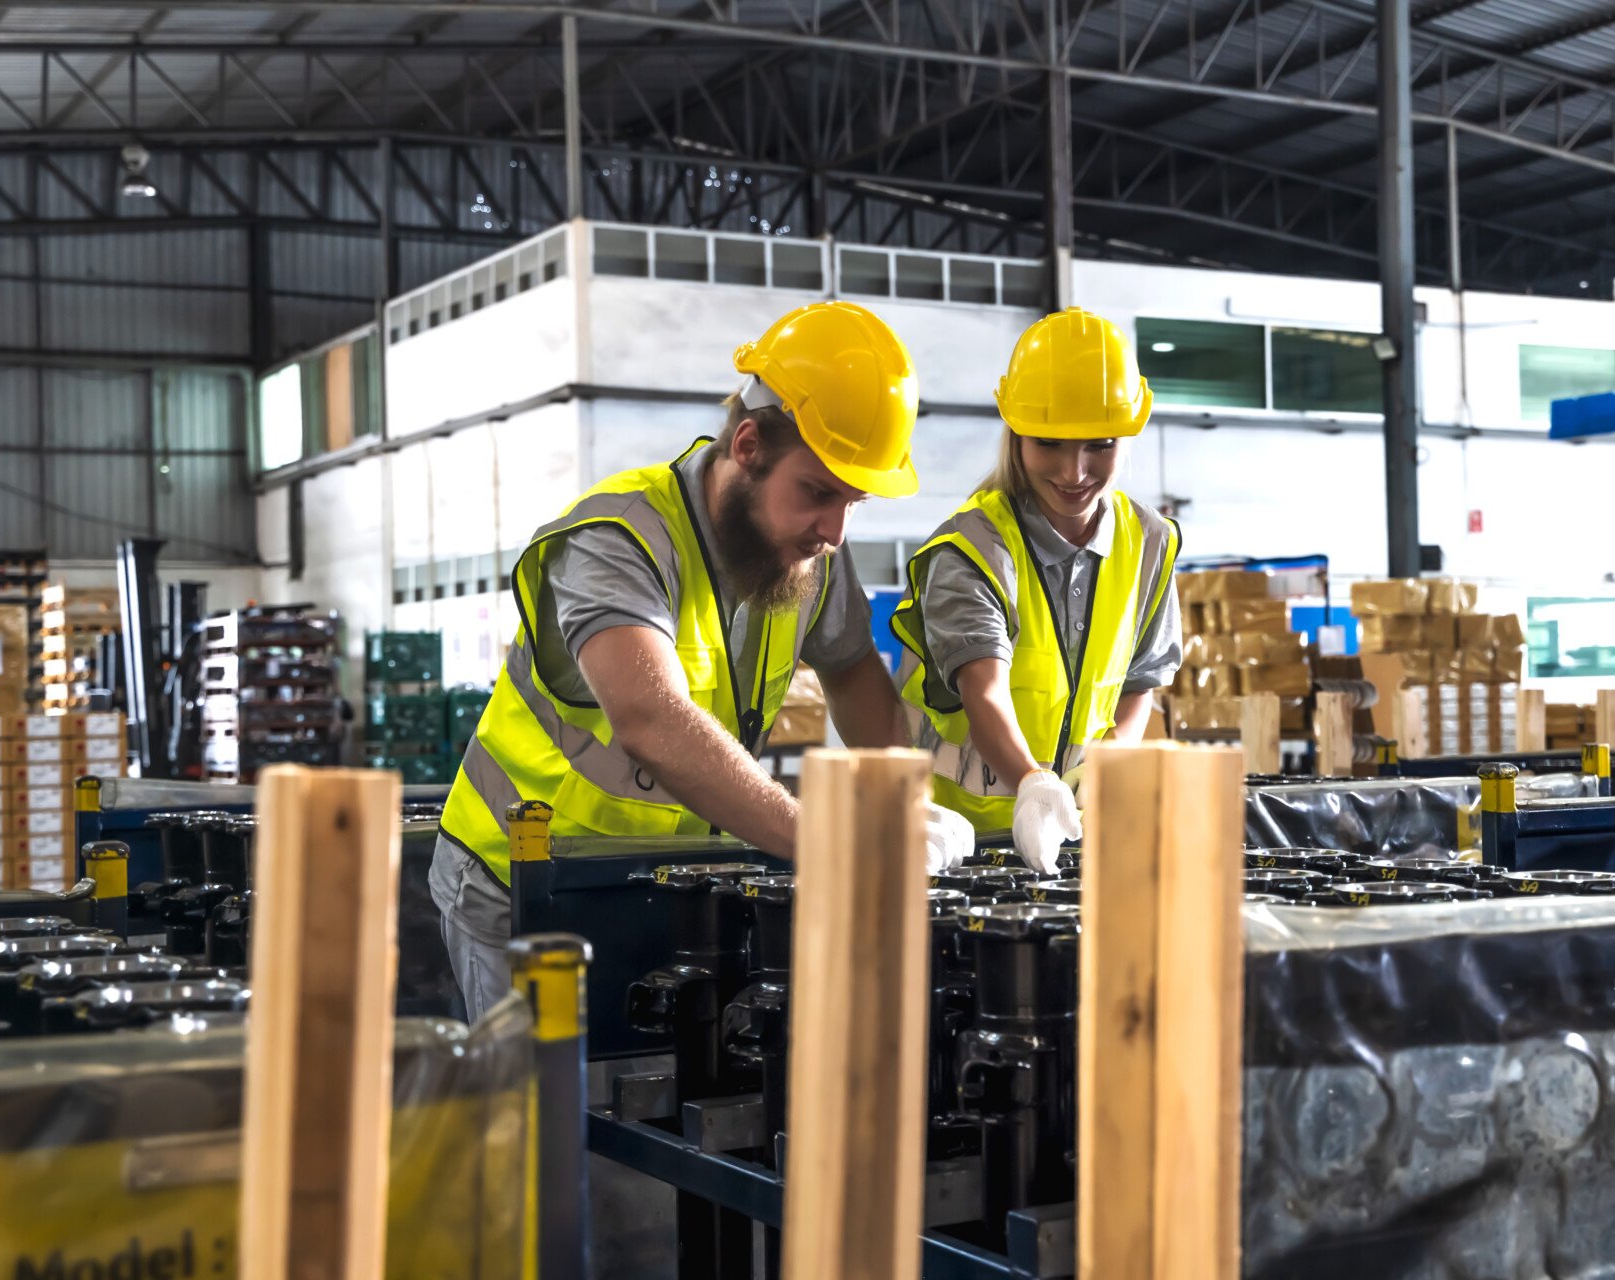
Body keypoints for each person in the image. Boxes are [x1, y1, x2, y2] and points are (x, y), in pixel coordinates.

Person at [432, 300, 976, 1017]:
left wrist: (912, 805)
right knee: (544, 1118)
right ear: (747, 446)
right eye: (817, 492)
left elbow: (852, 673)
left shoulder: (806, 555)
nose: (836, 531)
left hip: (663, 882)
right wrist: (822, 838)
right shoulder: (617, 537)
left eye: (855, 501)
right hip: (522, 882)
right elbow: (650, 719)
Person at [891, 307, 1183, 873]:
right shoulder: (971, 548)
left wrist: (1108, 768)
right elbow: (984, 689)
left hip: (1074, 836)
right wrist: (1032, 781)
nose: (1075, 472)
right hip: (955, 845)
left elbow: (1138, 684)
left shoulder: (1150, 543)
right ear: (1016, 435)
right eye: (1049, 443)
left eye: (1098, 445)